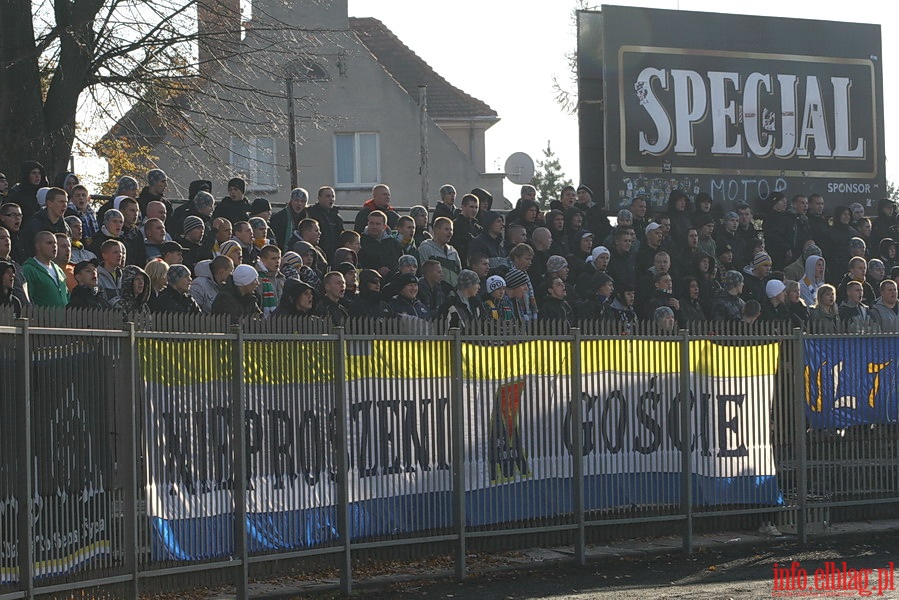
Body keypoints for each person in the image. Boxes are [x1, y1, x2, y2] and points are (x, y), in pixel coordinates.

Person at [21, 231, 69, 306]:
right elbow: (27, 299)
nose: (54, 246)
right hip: (42, 317)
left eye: (55, 243)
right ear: (38, 246)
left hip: (64, 317)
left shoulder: (58, 269)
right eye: (49, 243)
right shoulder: (28, 269)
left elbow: (67, 296)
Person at [359, 210, 404, 277]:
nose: (374, 226)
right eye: (371, 223)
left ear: (384, 226)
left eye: (378, 224)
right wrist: (376, 270)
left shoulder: (394, 244)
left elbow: (400, 264)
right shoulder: (360, 241)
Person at [305, 186, 344, 261]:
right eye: (327, 196)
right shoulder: (312, 213)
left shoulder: (337, 218)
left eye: (333, 196)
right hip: (319, 253)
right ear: (319, 198)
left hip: (334, 255)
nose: (331, 199)